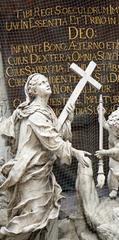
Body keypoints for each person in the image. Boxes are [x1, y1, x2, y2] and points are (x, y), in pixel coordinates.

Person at [0, 73, 90, 239]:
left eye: (46, 81)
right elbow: (53, 141)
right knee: (31, 220)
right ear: (33, 90)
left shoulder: (46, 111)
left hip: (44, 174)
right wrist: (76, 152)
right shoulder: (35, 114)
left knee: (49, 217)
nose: (46, 84)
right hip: (31, 175)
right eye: (41, 83)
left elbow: (55, 134)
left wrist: (68, 120)